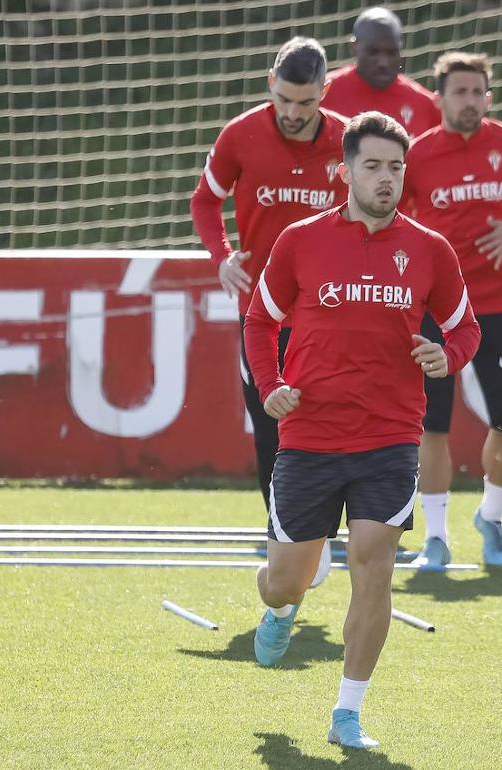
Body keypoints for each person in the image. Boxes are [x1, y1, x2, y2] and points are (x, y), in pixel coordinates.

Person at [243, 111, 480, 749]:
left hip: (390, 440)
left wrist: (447, 356)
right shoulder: (299, 240)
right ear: (344, 171)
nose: (385, 178)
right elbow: (259, 323)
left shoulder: (432, 250)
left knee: (373, 566)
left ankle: (347, 713)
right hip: (309, 438)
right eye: (372, 166)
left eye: (396, 167)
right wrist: (271, 390)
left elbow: (465, 328)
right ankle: (281, 607)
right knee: (286, 578)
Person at [190, 37, 347, 543]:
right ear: (269, 85)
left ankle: (325, 528)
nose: (293, 112)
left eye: (306, 102)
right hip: (262, 310)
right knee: (270, 424)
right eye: (283, 99)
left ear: (325, 91)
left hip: (333, 312)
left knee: (334, 422)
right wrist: (222, 256)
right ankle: (285, 530)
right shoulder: (240, 135)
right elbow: (204, 202)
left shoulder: (348, 142)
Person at [401, 52, 502, 567]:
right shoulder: (416, 154)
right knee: (432, 426)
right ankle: (437, 536)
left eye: (478, 92)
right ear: (439, 99)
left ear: (488, 98)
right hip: (435, 311)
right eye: (459, 92)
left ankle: (491, 517)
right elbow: (388, 215)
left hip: (497, 306)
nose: (470, 101)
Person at [321, 7, 440, 137]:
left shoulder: (426, 104)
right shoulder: (323, 93)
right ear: (354, 47)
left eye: (391, 53)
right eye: (373, 52)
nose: (383, 62)